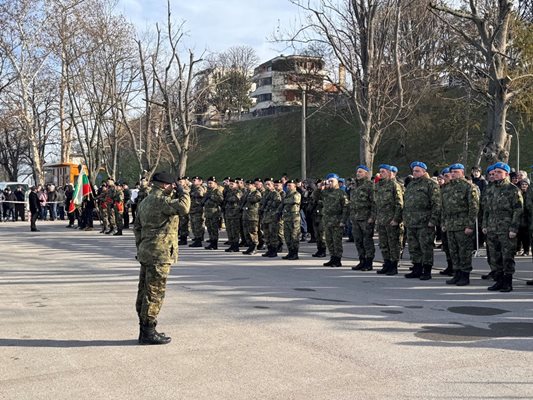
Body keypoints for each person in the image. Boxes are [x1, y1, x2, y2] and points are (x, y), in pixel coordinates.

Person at [134, 172, 190, 345]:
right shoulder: (162, 201)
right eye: (172, 185)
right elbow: (184, 208)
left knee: (144, 290)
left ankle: (146, 328)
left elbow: (137, 228)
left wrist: (141, 246)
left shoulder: (145, 201)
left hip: (146, 250)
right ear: (166, 185)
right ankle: (148, 332)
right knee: (155, 292)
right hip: (160, 253)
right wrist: (183, 191)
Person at [482, 162, 523, 292]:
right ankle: (499, 280)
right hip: (492, 227)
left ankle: (508, 282)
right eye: (494, 173)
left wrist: (513, 228)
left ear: (506, 174)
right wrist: (485, 224)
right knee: (495, 256)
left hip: (506, 228)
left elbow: (518, 210)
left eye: (499, 172)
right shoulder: (490, 189)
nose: (496, 175)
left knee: (507, 256)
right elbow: (486, 210)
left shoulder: (512, 189)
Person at [441, 163, 479, 286]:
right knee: (453, 251)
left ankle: (465, 275)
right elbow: (444, 207)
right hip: (451, 223)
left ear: (462, 172)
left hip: (463, 224)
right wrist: (444, 222)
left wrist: (470, 225)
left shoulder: (468, 187)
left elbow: (473, 208)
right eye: (452, 172)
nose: (453, 174)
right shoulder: (447, 187)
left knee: (464, 251)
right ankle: (456, 273)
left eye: (456, 172)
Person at [403, 161, 441, 280]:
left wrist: (433, 220)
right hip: (411, 221)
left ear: (424, 172)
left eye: (418, 171)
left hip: (425, 222)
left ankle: (427, 270)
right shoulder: (411, 185)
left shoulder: (430, 184)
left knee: (425, 247)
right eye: (414, 171)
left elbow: (436, 203)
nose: (415, 173)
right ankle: (417, 268)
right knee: (414, 247)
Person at [374, 164, 404, 276]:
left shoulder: (394, 185)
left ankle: (393, 265)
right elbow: (376, 204)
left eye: (383, 171)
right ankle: (386, 263)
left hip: (391, 219)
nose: (381, 173)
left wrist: (396, 219)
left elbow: (399, 203)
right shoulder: (378, 186)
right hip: (381, 219)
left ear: (390, 173)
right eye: (380, 171)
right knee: (383, 244)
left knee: (393, 244)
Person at [349, 166, 375, 271]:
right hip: (355, 218)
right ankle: (362, 260)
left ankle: (369, 262)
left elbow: (374, 203)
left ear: (366, 174)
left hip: (365, 218)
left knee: (367, 241)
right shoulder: (355, 186)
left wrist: (372, 217)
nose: (358, 174)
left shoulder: (370, 186)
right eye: (357, 172)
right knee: (358, 241)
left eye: (360, 172)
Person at [321, 173, 349, 267]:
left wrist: (343, 221)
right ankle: (332, 258)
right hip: (327, 220)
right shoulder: (326, 192)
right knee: (329, 240)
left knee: (336, 241)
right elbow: (315, 197)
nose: (330, 183)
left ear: (337, 182)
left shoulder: (341, 193)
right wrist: (319, 188)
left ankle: (338, 259)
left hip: (337, 220)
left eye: (332, 181)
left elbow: (346, 208)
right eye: (329, 181)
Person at [279, 179, 301, 260]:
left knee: (294, 236)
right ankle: (290, 252)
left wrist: (285, 201)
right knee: (287, 236)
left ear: (294, 186)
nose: (288, 187)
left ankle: (295, 253)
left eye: (290, 185)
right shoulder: (287, 195)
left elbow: (295, 200)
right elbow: (282, 204)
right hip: (287, 218)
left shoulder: (296, 193)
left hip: (294, 218)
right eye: (287, 185)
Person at [261, 178, 282, 258]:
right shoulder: (266, 194)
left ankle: (274, 250)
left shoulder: (275, 194)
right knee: (267, 235)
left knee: (273, 234)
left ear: (272, 185)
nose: (267, 186)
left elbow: (277, 204)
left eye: (269, 184)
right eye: (266, 184)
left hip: (272, 217)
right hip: (266, 217)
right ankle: (269, 249)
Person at [241, 179, 262, 254]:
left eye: (249, 185)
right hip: (246, 215)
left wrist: (248, 197)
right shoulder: (247, 193)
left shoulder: (257, 193)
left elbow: (254, 200)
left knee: (253, 232)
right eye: (246, 185)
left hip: (253, 216)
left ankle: (254, 247)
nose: (247, 186)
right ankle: (250, 246)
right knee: (246, 232)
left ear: (253, 185)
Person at [203, 177, 224, 250]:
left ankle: (214, 244)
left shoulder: (217, 191)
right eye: (208, 183)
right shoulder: (208, 191)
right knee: (209, 228)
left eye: (211, 183)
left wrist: (212, 197)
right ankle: (211, 242)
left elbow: (221, 200)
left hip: (214, 212)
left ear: (215, 184)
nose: (209, 185)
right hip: (208, 213)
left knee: (214, 229)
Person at [224, 179, 243, 252]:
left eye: (233, 184)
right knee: (230, 230)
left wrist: (228, 199)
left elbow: (234, 199)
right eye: (230, 184)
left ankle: (235, 246)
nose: (231, 185)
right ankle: (232, 244)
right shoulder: (229, 192)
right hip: (229, 214)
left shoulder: (238, 192)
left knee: (235, 230)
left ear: (237, 185)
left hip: (235, 214)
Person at [189, 176, 206, 247]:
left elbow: (200, 194)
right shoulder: (193, 188)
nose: (193, 181)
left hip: (198, 210)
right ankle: (197, 238)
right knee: (193, 225)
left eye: (195, 180)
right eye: (193, 180)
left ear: (200, 181)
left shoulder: (199, 188)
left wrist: (191, 194)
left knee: (197, 225)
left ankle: (198, 240)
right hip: (193, 209)